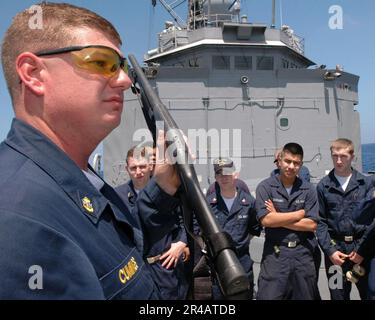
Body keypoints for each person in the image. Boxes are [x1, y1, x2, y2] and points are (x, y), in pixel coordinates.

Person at [0, 2, 181, 299]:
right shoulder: (17, 219)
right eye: (101, 62)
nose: (123, 81)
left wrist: (162, 187)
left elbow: (114, 241)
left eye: (121, 67)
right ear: (33, 73)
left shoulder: (77, 179)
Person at [115, 146, 189, 299]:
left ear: (150, 166)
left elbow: (187, 220)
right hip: (136, 270)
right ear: (127, 169)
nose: (138, 172)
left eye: (142, 166)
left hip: (166, 267)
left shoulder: (168, 190)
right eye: (133, 168)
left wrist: (182, 243)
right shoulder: (117, 197)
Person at [256, 142, 320, 300]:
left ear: (301, 165)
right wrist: (298, 214)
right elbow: (266, 220)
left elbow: (311, 224)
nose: (291, 166)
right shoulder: (265, 187)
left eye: (296, 163)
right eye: (288, 161)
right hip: (276, 254)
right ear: (279, 161)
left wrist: (278, 216)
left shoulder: (309, 189)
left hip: (303, 254)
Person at [316, 139, 374, 300]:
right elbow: (320, 222)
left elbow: (372, 221)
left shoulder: (367, 184)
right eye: (335, 156)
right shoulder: (323, 186)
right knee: (337, 295)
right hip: (336, 253)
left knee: (369, 294)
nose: (339, 160)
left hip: (362, 252)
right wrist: (330, 251)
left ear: (352, 156)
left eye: (343, 156)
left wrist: (362, 251)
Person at [202, 157, 261, 299]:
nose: (224, 177)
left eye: (228, 173)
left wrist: (239, 243)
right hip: (219, 267)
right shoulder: (208, 205)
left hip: (242, 264)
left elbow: (254, 229)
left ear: (235, 174)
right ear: (215, 177)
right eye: (219, 174)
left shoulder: (249, 202)